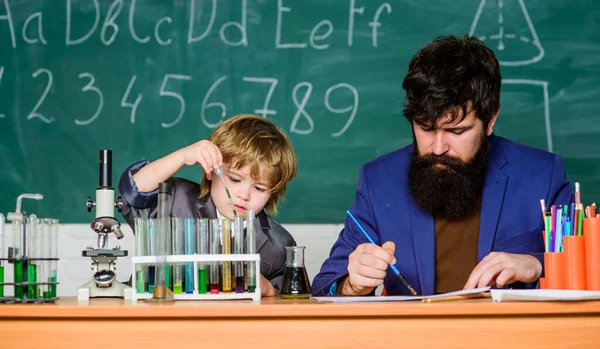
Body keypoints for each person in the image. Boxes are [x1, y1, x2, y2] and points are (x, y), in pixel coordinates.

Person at [312, 35, 572, 296]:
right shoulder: (378, 181)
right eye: (425, 128)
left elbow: (588, 275)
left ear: (490, 120)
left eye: (456, 131)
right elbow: (324, 287)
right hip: (414, 336)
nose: (437, 148)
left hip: (509, 336)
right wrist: (351, 284)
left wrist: (538, 265)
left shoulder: (543, 176)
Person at [119, 114, 298, 296]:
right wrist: (183, 156)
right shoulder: (174, 199)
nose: (244, 195)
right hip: (157, 318)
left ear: (273, 192)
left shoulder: (280, 245)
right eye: (235, 179)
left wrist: (270, 291)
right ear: (211, 171)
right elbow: (133, 191)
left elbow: (289, 304)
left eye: (259, 188)